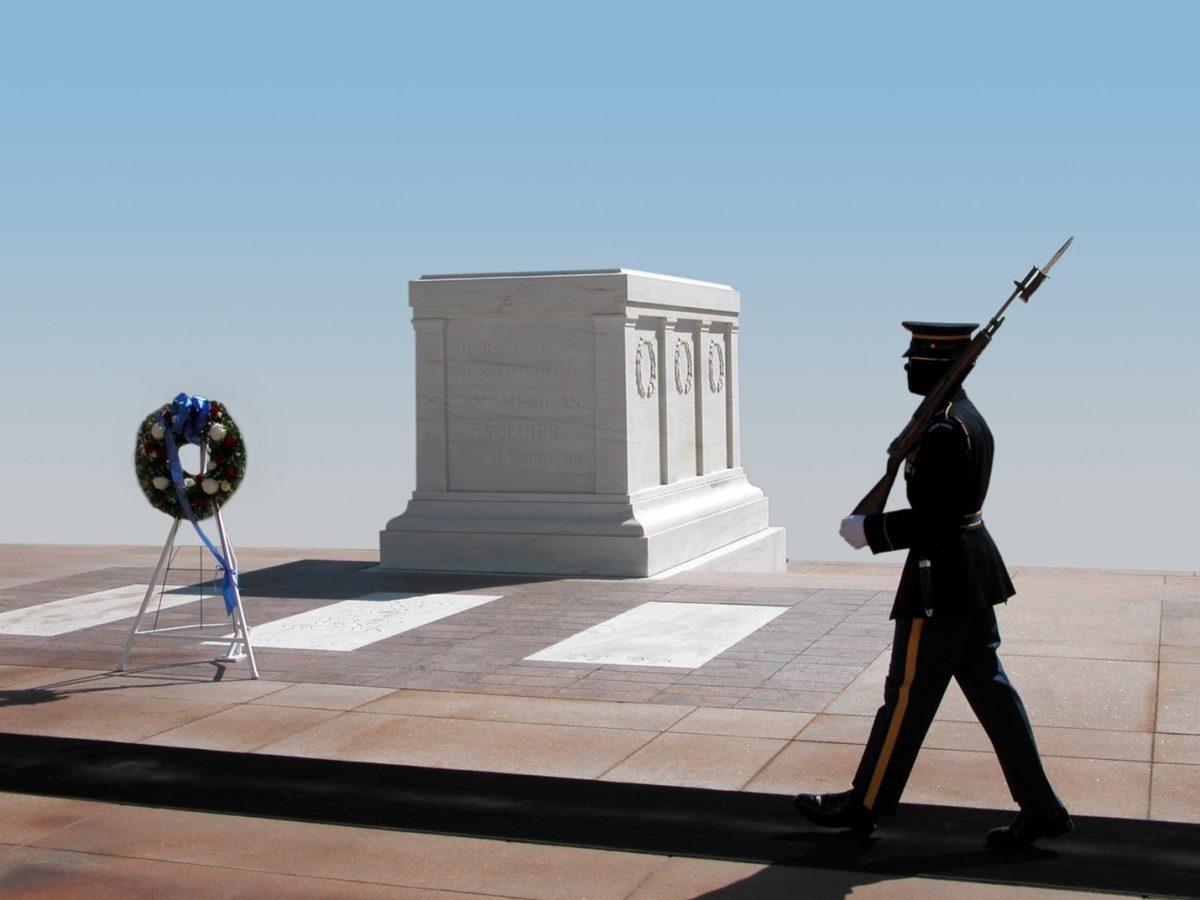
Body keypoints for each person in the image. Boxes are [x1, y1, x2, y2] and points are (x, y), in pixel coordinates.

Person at [793, 321, 1073, 849]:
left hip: (940, 582)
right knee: (993, 695)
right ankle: (1041, 809)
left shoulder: (946, 429)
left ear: (939, 366)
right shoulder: (962, 419)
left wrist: (872, 530)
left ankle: (865, 801)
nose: (907, 366)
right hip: (971, 575)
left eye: (915, 360)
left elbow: (938, 518)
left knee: (905, 698)